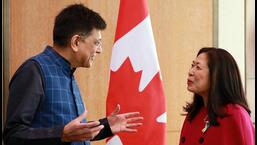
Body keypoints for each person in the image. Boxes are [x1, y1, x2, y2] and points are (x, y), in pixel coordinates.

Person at [3, 3, 143, 145]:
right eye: (96, 43)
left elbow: (74, 134)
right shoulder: (33, 70)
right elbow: (13, 136)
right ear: (76, 42)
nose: (99, 50)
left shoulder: (68, 73)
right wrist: (62, 134)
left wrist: (106, 126)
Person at [179, 47, 255, 145]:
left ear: (217, 74)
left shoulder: (235, 114)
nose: (190, 72)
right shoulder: (194, 113)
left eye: (198, 67)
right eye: (192, 65)